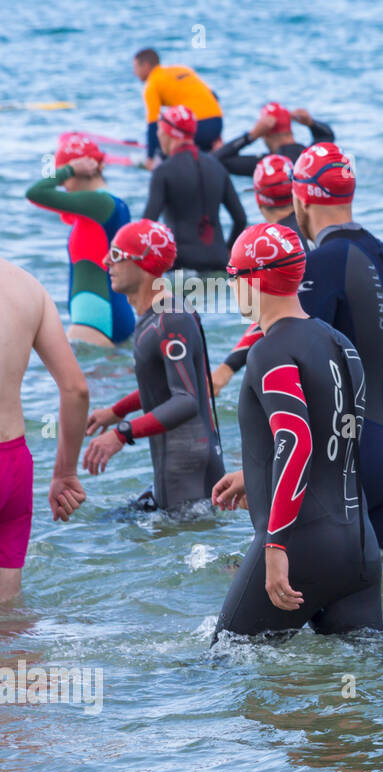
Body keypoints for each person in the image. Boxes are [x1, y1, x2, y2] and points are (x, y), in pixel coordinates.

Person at [212, 222, 382, 637]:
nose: (232, 287)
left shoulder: (269, 350)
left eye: (234, 276)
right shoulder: (340, 343)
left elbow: (297, 441)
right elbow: (336, 440)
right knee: (362, 682)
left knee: (227, 661)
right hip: (359, 545)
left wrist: (275, 544)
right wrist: (253, 475)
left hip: (301, 542)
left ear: (255, 279)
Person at [292, 143, 383, 548]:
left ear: (302, 199)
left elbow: (298, 374)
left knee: (310, 596)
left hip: (339, 465)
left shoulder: (316, 266)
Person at [82, 220, 224, 511]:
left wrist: (122, 432)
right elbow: (162, 388)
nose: (105, 261)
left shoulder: (170, 319)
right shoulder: (159, 315)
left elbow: (186, 401)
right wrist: (116, 411)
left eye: (117, 255)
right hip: (177, 471)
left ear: (142, 262)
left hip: (188, 476)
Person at [0, 259, 89, 602]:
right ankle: (20, 659)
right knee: (8, 616)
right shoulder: (28, 286)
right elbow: (76, 389)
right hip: (14, 465)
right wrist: (65, 471)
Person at [25, 134, 135, 346]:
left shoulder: (98, 203)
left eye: (66, 175)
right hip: (114, 313)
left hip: (93, 320)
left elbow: (35, 192)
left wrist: (69, 169)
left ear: (85, 169)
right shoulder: (115, 205)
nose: (63, 183)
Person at [210, 154, 302, 395]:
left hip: (292, 352)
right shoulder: (305, 234)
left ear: (258, 199)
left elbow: (276, 310)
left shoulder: (278, 245)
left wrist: (226, 369)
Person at [142, 106, 247, 273]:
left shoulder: (163, 171)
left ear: (169, 133)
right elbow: (240, 218)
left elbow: (147, 225)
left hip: (181, 265)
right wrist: (227, 251)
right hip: (219, 262)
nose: (158, 135)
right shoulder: (217, 166)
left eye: (160, 130)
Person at [133, 48, 222, 166]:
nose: (134, 72)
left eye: (135, 68)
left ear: (146, 65)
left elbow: (152, 123)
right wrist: (216, 134)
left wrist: (150, 157)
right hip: (217, 124)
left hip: (197, 128)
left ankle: (165, 166)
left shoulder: (153, 83)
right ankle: (209, 149)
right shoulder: (182, 69)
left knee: (164, 138)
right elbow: (214, 96)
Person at [214, 102, 335, 176]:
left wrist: (250, 136)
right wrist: (311, 123)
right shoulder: (310, 155)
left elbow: (216, 160)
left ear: (264, 134)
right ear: (290, 129)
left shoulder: (267, 164)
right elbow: (327, 136)